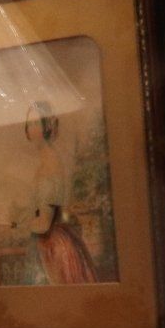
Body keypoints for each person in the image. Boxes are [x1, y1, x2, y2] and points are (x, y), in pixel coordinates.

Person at [18, 100, 96, 285]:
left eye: (36, 123)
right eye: (29, 124)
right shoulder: (46, 161)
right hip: (49, 242)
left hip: (52, 247)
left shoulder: (50, 165)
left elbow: (44, 224)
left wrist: (18, 226)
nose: (31, 128)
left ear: (47, 126)